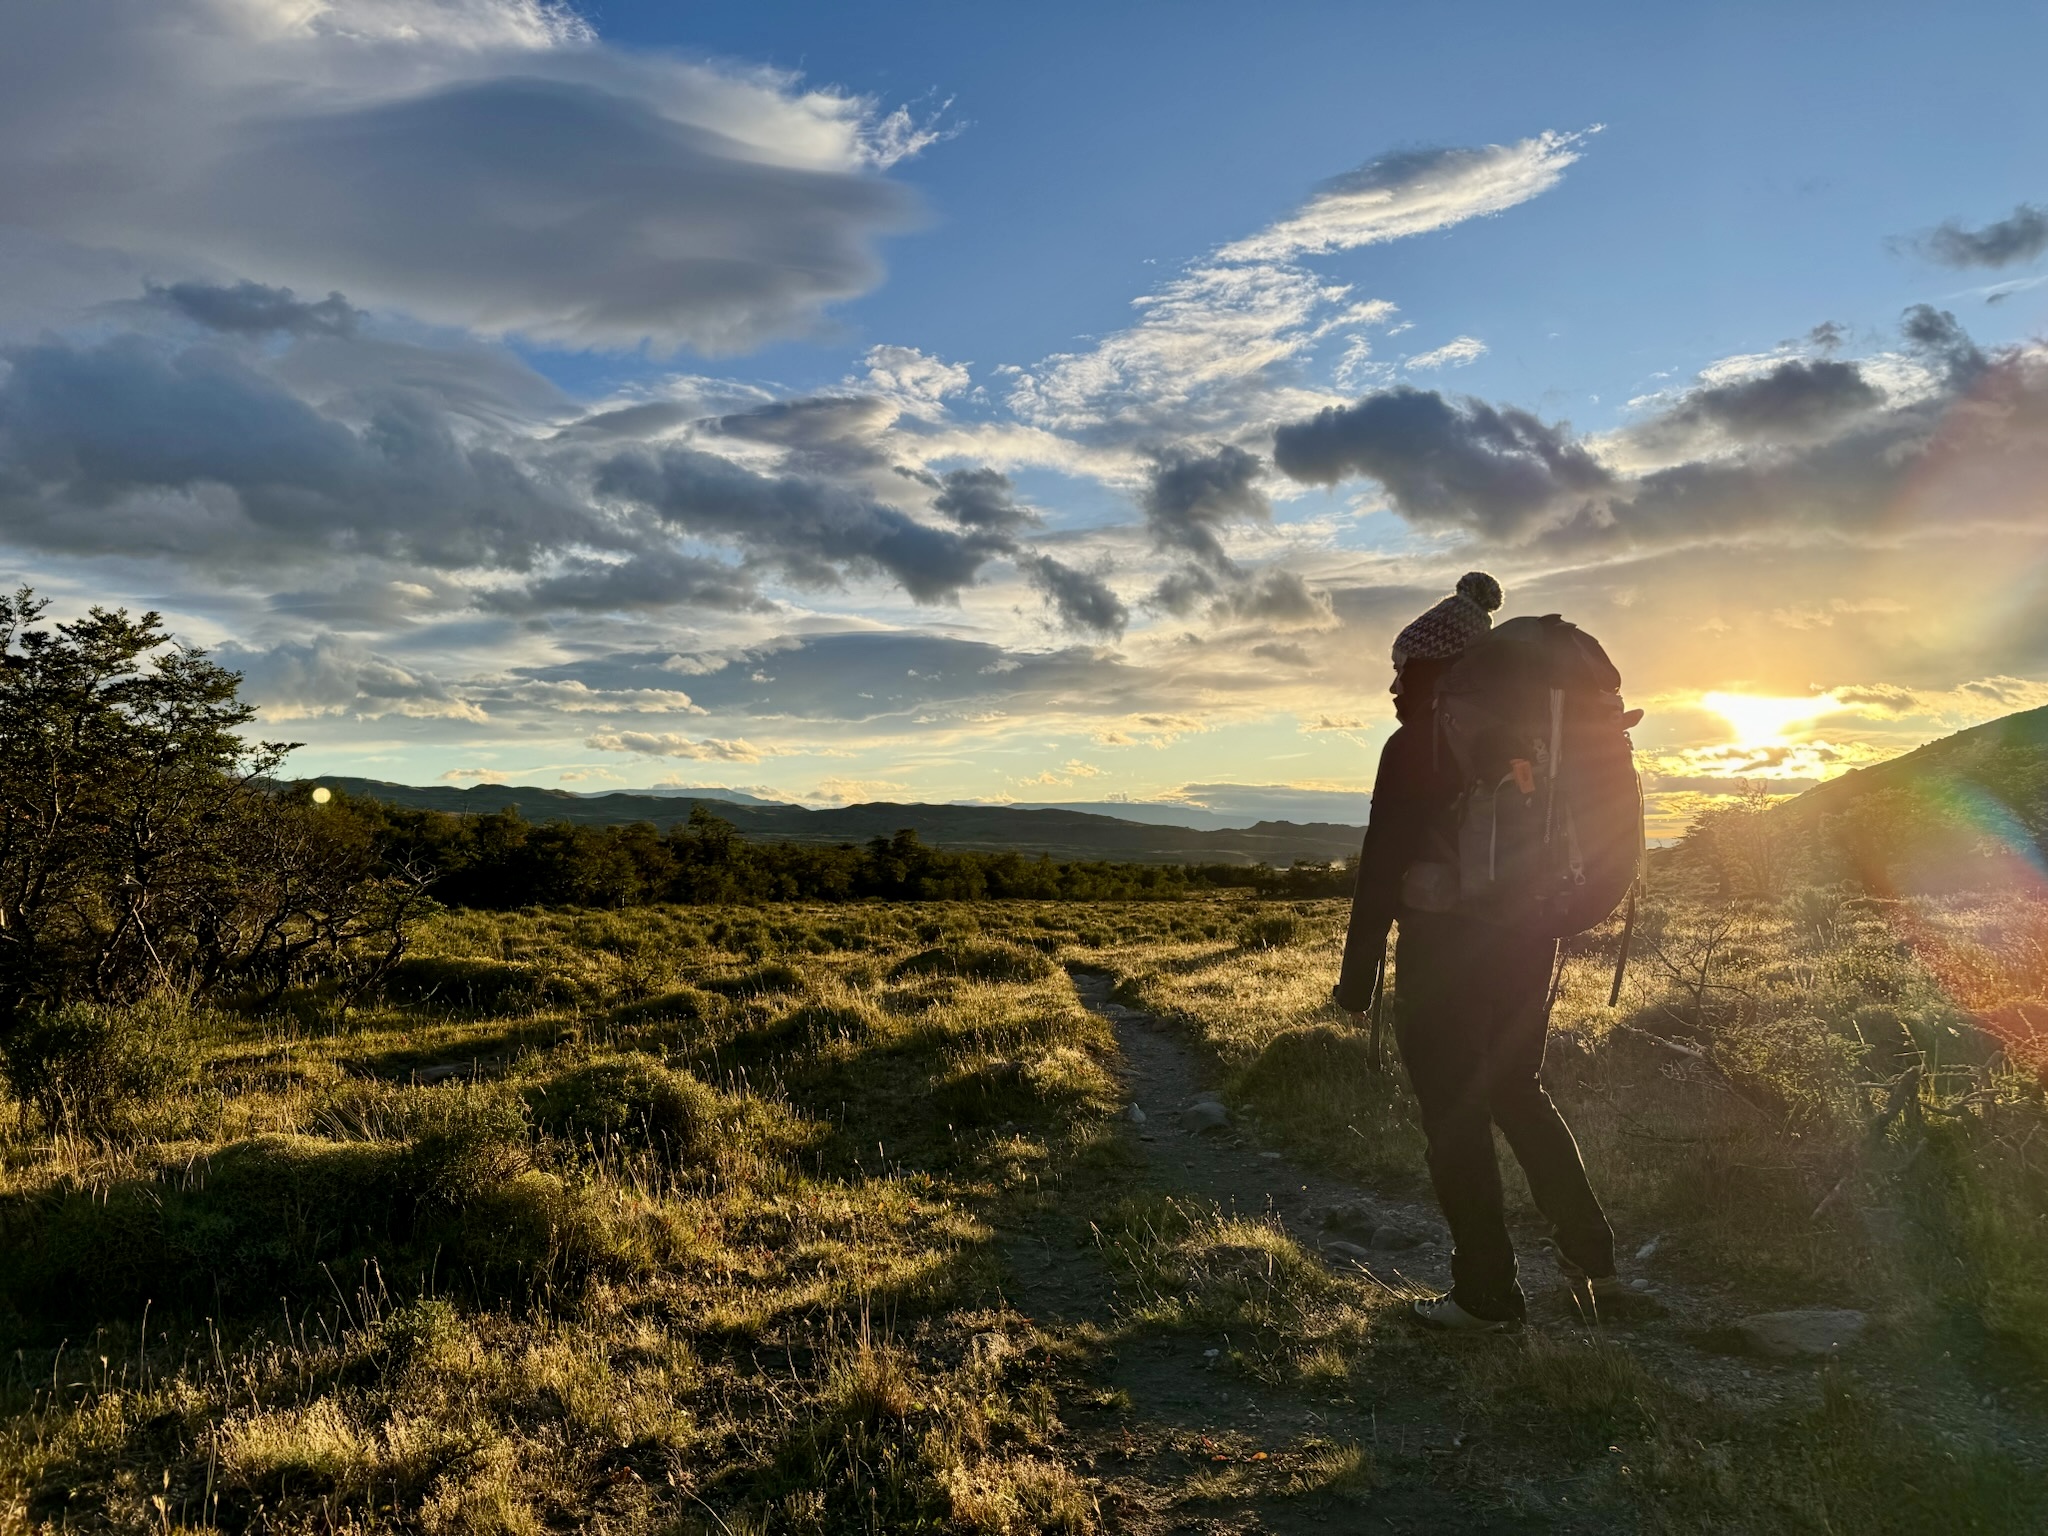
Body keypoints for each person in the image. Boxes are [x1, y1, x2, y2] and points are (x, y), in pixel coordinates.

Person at [1333, 572, 1619, 1332]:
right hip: (1528, 935)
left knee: (1453, 1117)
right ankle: (1592, 1251)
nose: (1395, 685)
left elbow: (1381, 859)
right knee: (1517, 1089)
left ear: (1437, 670)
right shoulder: (1540, 738)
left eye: (1407, 669)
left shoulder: (1417, 744)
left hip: (1444, 949)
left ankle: (1487, 1295)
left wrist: (1357, 972)